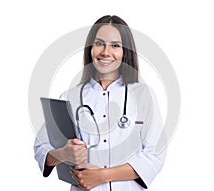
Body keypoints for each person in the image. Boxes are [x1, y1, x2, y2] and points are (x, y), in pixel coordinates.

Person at [34, 15, 166, 191]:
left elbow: (155, 154)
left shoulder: (143, 96)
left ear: (125, 51)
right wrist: (63, 154)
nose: (106, 52)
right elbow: (41, 148)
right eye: (99, 43)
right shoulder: (70, 97)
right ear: (90, 48)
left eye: (115, 45)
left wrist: (101, 176)